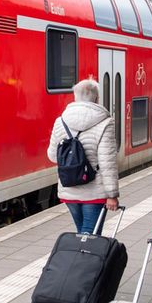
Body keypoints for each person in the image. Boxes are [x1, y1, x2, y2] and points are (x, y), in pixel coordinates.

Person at [47, 78, 119, 233]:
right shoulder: (105, 122)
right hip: (94, 192)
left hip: (69, 189)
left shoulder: (60, 121)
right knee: (89, 236)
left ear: (75, 97)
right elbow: (107, 162)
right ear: (97, 98)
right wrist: (112, 195)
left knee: (83, 233)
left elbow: (52, 156)